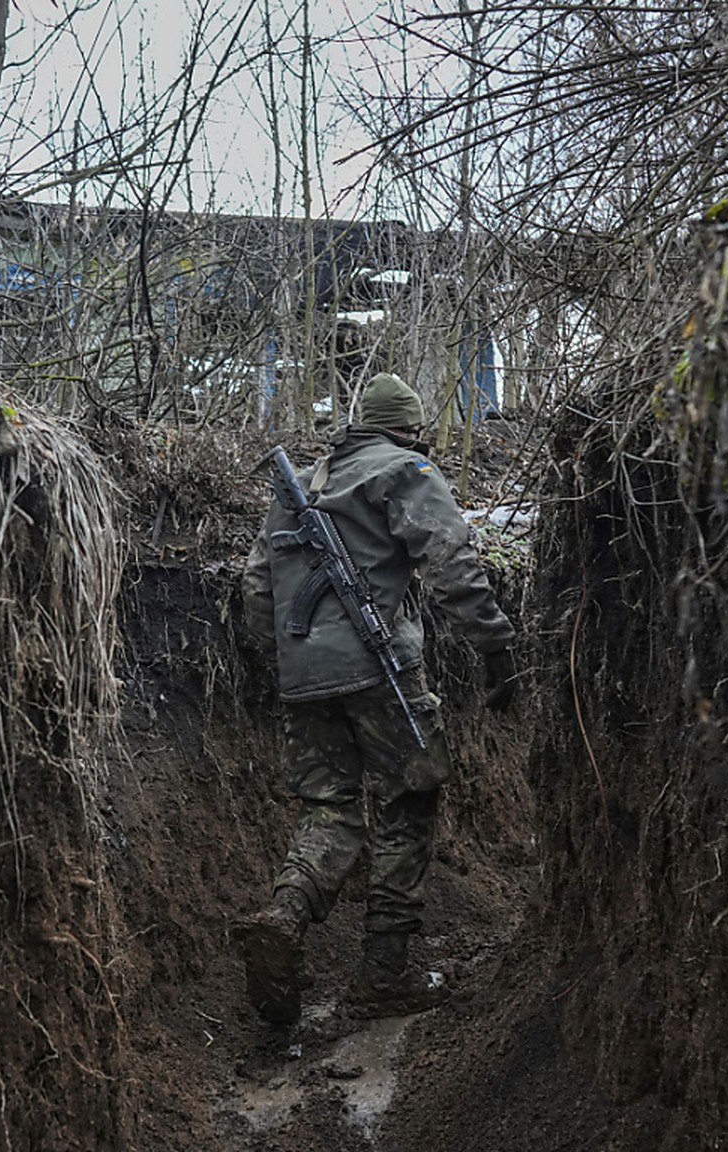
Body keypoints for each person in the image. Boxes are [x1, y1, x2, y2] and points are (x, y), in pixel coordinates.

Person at [237, 371, 518, 1024]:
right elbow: (450, 557)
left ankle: (284, 914)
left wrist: (289, 665)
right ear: (411, 428)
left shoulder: (302, 482)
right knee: (407, 801)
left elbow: (257, 587)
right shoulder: (406, 468)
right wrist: (495, 644)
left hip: (303, 679)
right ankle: (384, 973)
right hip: (380, 669)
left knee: (330, 812)